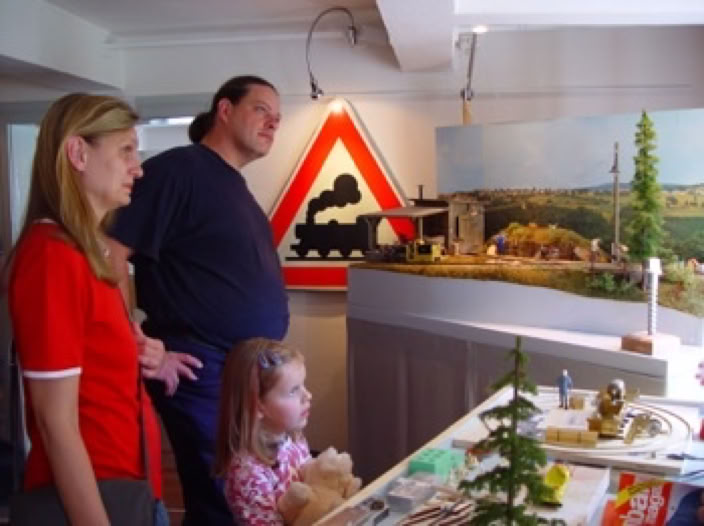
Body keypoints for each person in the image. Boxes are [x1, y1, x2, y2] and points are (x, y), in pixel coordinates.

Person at [107, 75, 289, 524]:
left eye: (278, 117)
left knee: (248, 494)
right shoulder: (178, 170)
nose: (273, 123)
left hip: (243, 369)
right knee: (223, 497)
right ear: (224, 110)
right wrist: (136, 341)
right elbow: (112, 252)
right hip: (200, 364)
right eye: (261, 109)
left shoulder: (235, 186)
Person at [5, 93, 172, 525]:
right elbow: (55, 421)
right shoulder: (52, 257)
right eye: (126, 150)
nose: (138, 168)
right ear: (78, 153)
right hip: (97, 501)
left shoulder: (88, 251)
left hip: (131, 490)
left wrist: (140, 353)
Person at [214, 338, 312, 524]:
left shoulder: (294, 438)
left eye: (303, 385)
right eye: (294, 391)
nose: (307, 395)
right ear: (258, 406)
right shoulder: (248, 474)